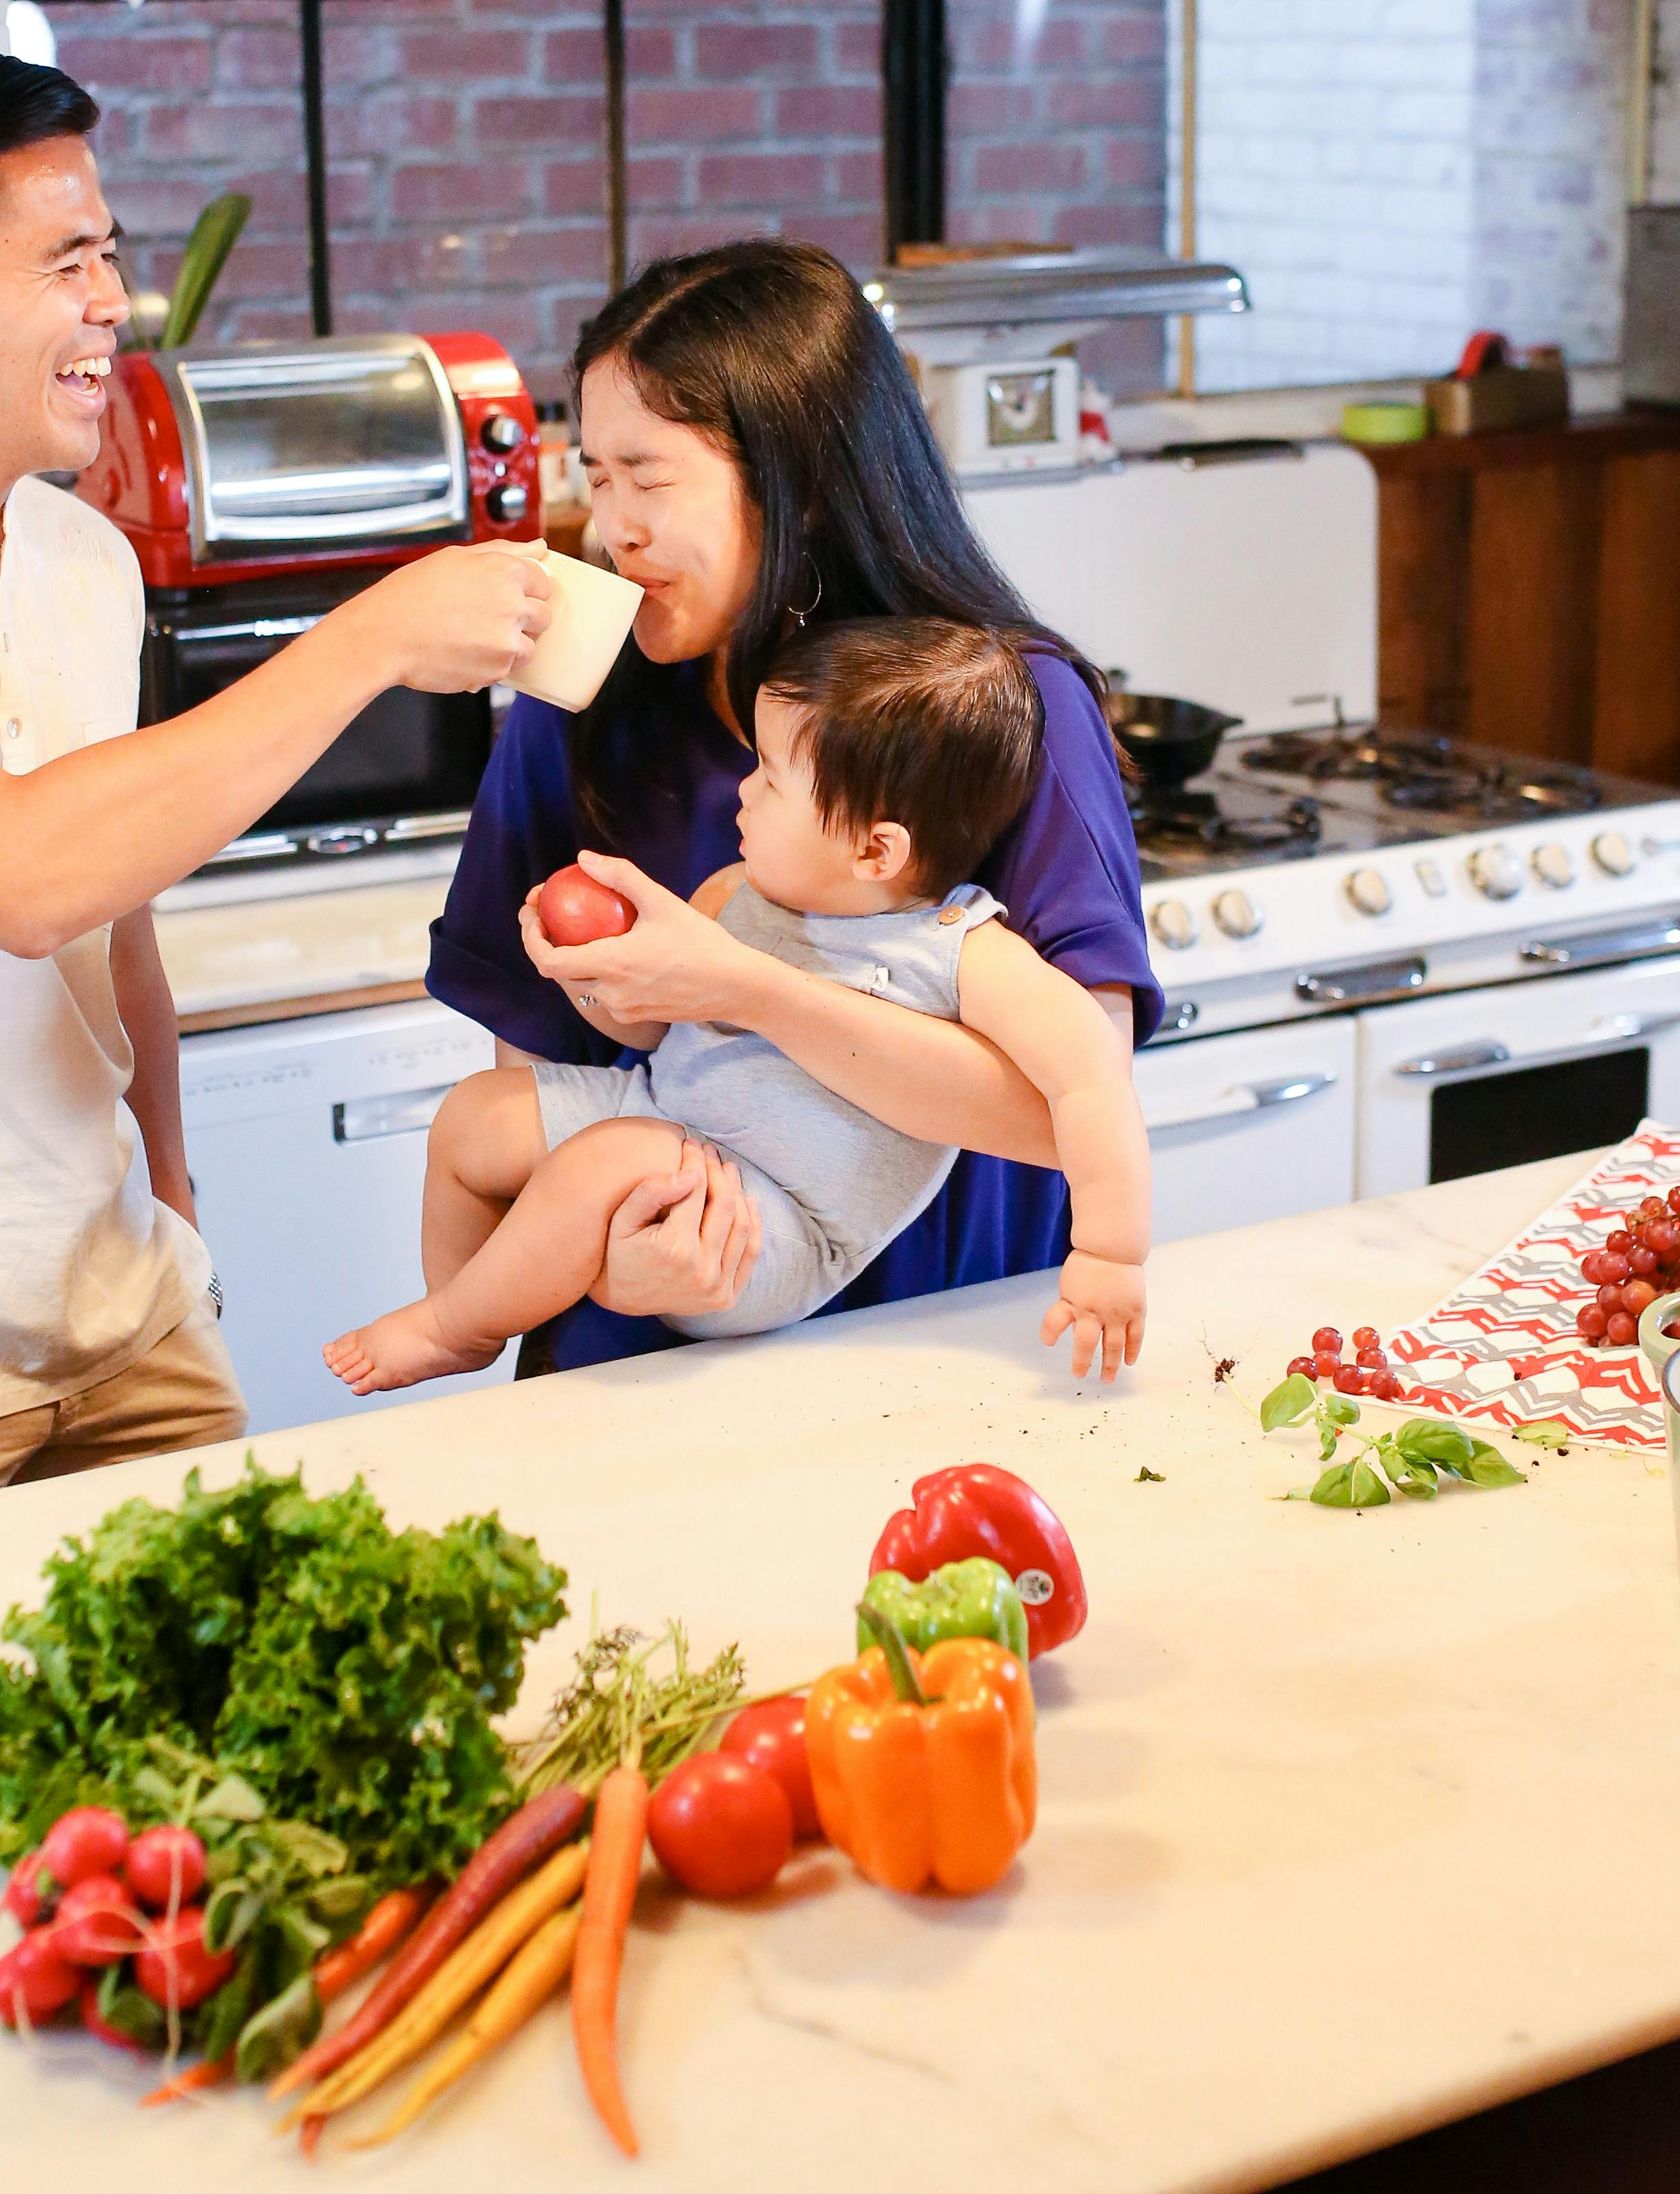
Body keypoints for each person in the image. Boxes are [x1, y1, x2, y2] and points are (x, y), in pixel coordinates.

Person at [0, 50, 551, 1543]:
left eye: (110, 255)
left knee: (197, 1775)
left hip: (129, 1329)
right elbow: (15, 878)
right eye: (68, 264)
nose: (111, 303)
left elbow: (119, 934)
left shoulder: (85, 561)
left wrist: (173, 1215)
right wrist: (370, 636)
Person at [424, 240, 1160, 1367]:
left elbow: (1067, 1103)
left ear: (801, 482)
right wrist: (607, 1255)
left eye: (648, 475)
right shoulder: (574, 710)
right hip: (633, 1373)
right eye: (594, 476)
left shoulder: (1005, 713)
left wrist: (741, 986)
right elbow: (520, 1097)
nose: (607, 526)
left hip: (936, 1356)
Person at [327, 619, 1151, 1396]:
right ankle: (474, 1322)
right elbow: (655, 1026)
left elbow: (1091, 1083)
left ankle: (447, 1325)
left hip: (779, 1226)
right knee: (475, 1116)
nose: (744, 793)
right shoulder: (742, 891)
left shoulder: (958, 947)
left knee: (607, 1157)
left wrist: (1111, 1253)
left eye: (772, 777)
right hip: (665, 1115)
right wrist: (596, 977)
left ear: (875, 848)